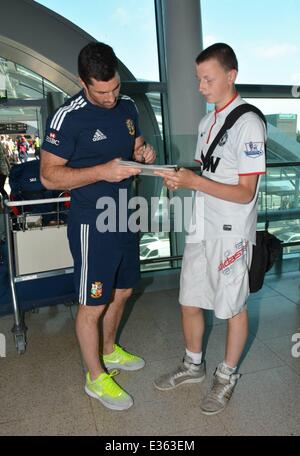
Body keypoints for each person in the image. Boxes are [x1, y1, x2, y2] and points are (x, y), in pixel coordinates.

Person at [40, 41, 156, 411]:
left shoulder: (128, 106)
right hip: (92, 220)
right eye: (102, 91)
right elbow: (48, 177)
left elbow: (134, 143)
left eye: (115, 87)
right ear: (82, 82)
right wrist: (102, 171)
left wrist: (142, 152)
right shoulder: (67, 118)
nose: (110, 97)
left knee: (122, 292)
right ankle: (95, 377)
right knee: (93, 302)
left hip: (125, 212)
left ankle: (110, 350)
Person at [153, 43, 266, 415]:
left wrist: (195, 183)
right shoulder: (207, 123)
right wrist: (183, 179)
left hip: (231, 230)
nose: (200, 86)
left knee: (232, 307)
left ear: (231, 76)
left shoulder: (249, 122)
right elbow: (209, 173)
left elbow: (246, 190)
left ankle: (227, 375)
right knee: (189, 299)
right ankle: (193, 365)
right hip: (202, 223)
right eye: (198, 79)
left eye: (208, 78)